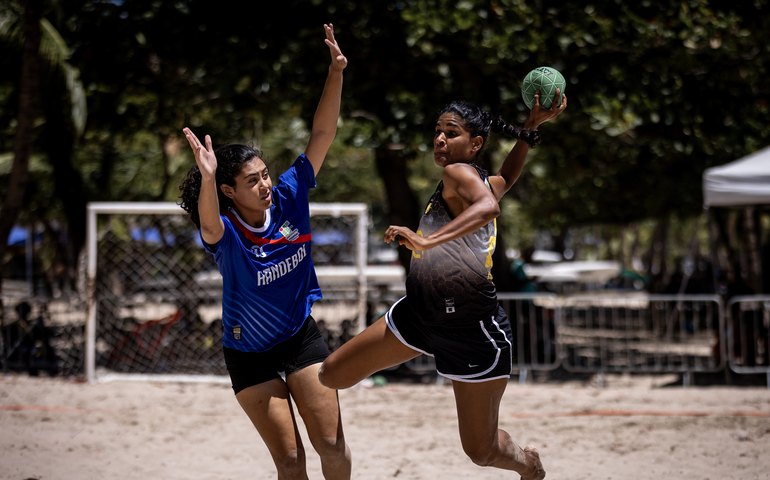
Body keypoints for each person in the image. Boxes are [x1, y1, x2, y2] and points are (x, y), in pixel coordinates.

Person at [319, 91, 567, 479]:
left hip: (471, 329)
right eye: (438, 131)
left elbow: (489, 207)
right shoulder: (477, 179)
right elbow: (505, 180)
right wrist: (530, 130)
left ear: (475, 144)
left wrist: (425, 241)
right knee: (332, 373)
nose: (439, 139)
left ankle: (528, 464)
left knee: (481, 451)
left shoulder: (459, 173)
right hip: (420, 314)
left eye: (451, 133)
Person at [178, 24, 351, 479]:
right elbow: (209, 221)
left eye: (265, 173)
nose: (265, 183)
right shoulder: (227, 233)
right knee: (290, 460)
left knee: (331, 444)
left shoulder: (291, 196)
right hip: (248, 353)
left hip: (299, 337)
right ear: (231, 191)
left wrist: (336, 72)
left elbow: (323, 131)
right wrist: (209, 175)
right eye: (252, 180)